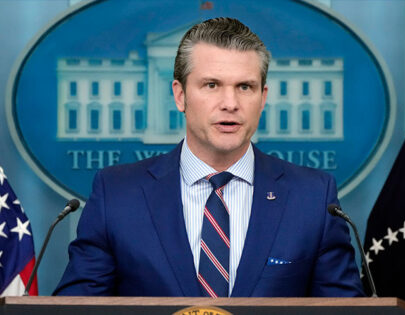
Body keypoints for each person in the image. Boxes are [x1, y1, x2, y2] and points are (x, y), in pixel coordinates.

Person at [54, 17, 364, 297]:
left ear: (263, 98)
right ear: (180, 95)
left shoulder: (313, 197)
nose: (230, 103)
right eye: (212, 85)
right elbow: (77, 307)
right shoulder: (117, 194)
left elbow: (344, 310)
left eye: (245, 86)